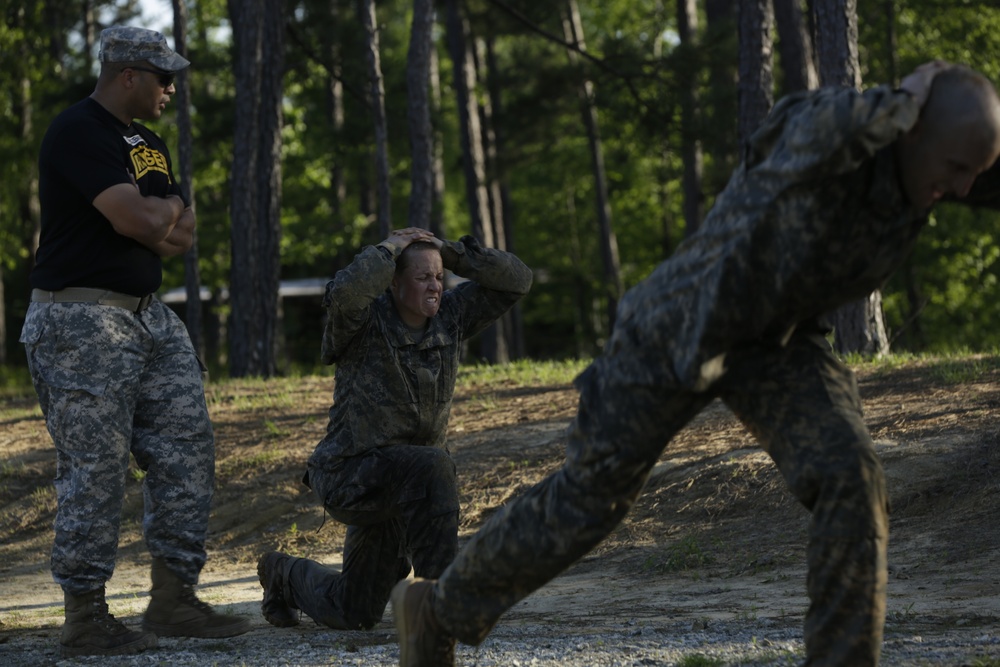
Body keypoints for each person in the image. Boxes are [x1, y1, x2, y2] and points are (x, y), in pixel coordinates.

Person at [389, 61, 1000, 667]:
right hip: (679, 325)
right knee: (589, 502)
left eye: (976, 173)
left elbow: (975, 161)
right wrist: (903, 99)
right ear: (911, 128)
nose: (965, 188)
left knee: (851, 474)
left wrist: (962, 142)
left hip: (778, 344)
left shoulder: (934, 172)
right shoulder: (830, 132)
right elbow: (797, 126)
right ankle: (436, 611)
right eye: (956, 168)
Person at [19, 26, 251, 658]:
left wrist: (162, 214)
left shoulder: (146, 142)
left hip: (149, 317)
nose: (172, 87)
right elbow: (145, 220)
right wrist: (164, 212)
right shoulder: (78, 132)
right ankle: (85, 617)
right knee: (95, 468)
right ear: (127, 74)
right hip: (80, 321)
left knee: (186, 447)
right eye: (163, 76)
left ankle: (174, 599)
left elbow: (179, 237)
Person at [256, 228, 532, 632]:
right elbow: (347, 292)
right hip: (352, 476)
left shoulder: (451, 317)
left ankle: (283, 575)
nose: (435, 286)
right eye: (423, 277)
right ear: (394, 282)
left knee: (355, 612)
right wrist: (388, 250)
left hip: (408, 491)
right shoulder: (364, 321)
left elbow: (517, 280)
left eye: (439, 277)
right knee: (434, 465)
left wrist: (451, 254)